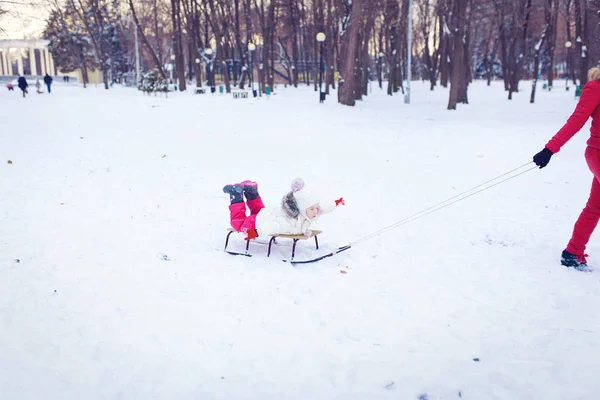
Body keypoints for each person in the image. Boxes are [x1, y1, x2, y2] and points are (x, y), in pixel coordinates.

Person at [533, 67, 600, 269]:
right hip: (598, 153)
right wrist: (549, 149)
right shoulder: (595, 88)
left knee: (595, 207)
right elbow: (576, 120)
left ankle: (573, 252)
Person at [223, 178, 345, 240]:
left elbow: (326, 207)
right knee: (237, 223)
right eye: (312, 209)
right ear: (302, 208)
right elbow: (273, 225)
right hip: (258, 223)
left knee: (257, 211)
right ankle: (236, 194)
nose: (315, 211)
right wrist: (256, 232)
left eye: (315, 208)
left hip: (267, 214)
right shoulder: (289, 221)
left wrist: (336, 202)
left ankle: (251, 191)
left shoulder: (308, 212)